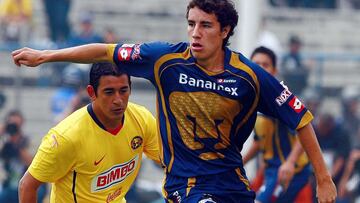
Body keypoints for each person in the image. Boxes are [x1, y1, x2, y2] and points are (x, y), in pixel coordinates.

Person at [12, 0, 336, 202]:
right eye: (191, 23)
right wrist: (46, 55)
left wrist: (324, 178)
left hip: (232, 182)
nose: (195, 32)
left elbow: (301, 117)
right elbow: (104, 51)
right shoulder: (165, 59)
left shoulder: (249, 76)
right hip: (186, 184)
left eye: (205, 25)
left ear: (225, 31)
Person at [18, 62, 160, 203]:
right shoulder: (66, 137)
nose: (118, 100)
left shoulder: (142, 119)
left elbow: (168, 160)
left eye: (123, 91)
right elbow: (27, 186)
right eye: (109, 92)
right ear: (92, 93)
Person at [242, 46, 311, 203]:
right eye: (256, 64)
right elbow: (259, 142)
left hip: (291, 171)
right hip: (271, 171)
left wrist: (290, 162)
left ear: (274, 70)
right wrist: (239, 164)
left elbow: (304, 131)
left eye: (265, 65)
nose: (259, 68)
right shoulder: (250, 101)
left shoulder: (282, 99)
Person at [0, 110, 47, 203]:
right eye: (11, 125)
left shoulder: (28, 141)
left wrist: (17, 145)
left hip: (27, 182)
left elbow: (34, 162)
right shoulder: (3, 141)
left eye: (16, 125)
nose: (13, 128)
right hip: (8, 184)